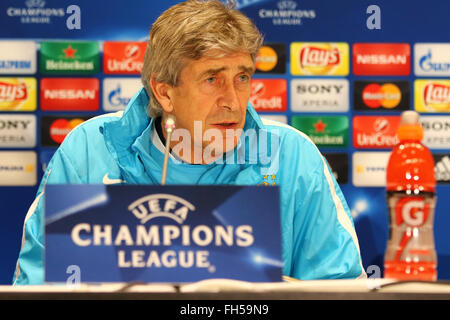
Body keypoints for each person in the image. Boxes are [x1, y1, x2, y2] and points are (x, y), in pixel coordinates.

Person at [13, 0, 366, 285]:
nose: (233, 100)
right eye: (212, 79)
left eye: (242, 77)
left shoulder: (292, 157)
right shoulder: (89, 151)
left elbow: (341, 289)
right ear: (164, 92)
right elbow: (35, 289)